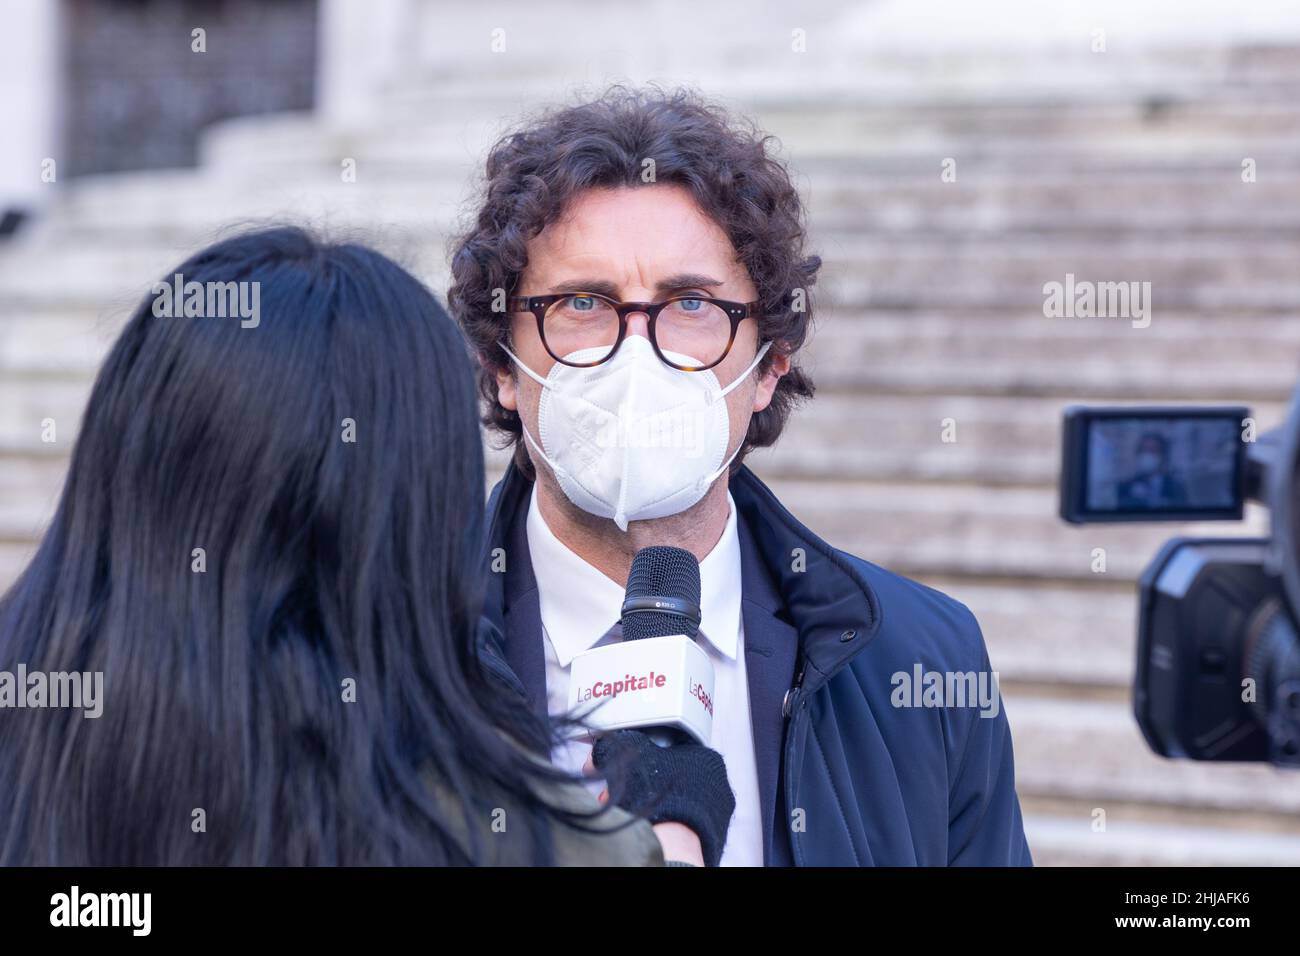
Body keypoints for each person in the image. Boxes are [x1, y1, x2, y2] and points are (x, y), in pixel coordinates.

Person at [0, 226, 731, 866]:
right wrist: (668, 828)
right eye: (583, 303)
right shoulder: (512, 834)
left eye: (689, 303)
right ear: (423, 513)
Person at [449, 85, 1033, 865]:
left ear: (767, 366)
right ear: (503, 367)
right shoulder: (390, 648)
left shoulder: (922, 658)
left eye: (690, 305)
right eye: (583, 303)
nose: (635, 354)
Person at [1118, 432, 1188, 509]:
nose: (1147, 455)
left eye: (1153, 450)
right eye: (1143, 450)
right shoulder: (1125, 487)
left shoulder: (1176, 487)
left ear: (1163, 455)